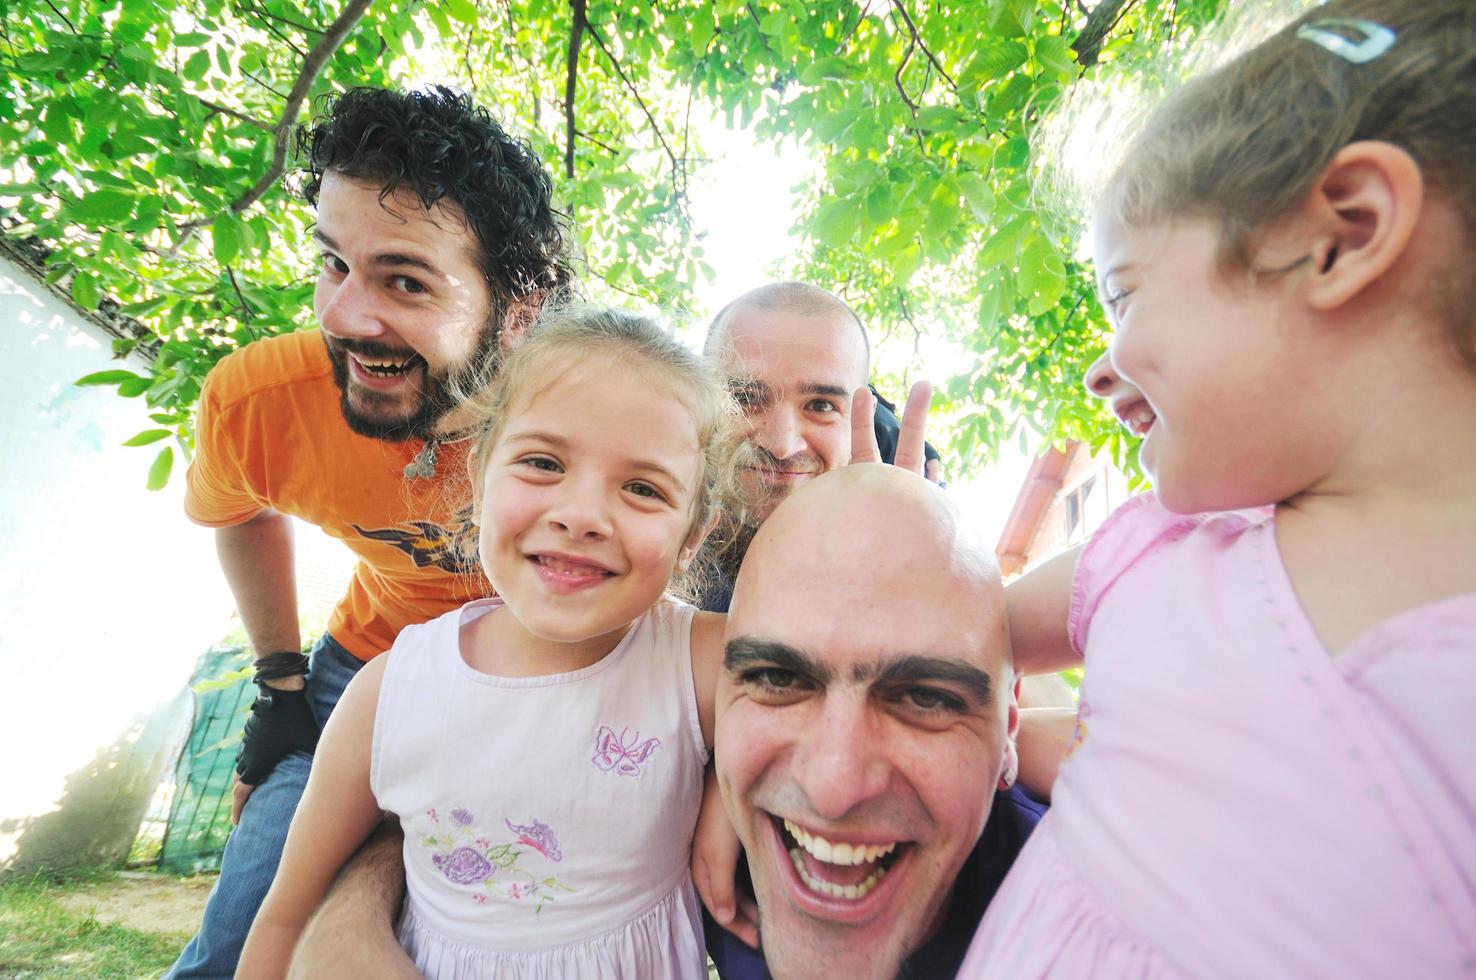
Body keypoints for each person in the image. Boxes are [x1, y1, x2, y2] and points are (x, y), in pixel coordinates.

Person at [960, 2, 1476, 975]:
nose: (1098, 369)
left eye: (1125, 294)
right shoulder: (1146, 548)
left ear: (1342, 234)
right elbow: (946, 629)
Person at [169, 85, 568, 977]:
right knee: (238, 947)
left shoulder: (588, 414)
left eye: (404, 279)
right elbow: (239, 510)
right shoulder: (259, 400)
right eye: (333, 264)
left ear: (519, 304)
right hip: (356, 678)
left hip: (540, 699)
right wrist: (278, 688)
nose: (344, 316)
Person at [239, 308, 735, 977]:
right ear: (478, 476)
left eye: (643, 488)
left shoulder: (701, 662)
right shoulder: (391, 691)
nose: (582, 515)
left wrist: (728, 798)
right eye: (542, 462)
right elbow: (285, 917)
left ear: (691, 537)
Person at [710, 464, 1031, 980]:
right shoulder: (654, 841)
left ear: (1010, 726)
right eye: (777, 678)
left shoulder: (1115, 920)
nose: (833, 791)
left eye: (924, 698)